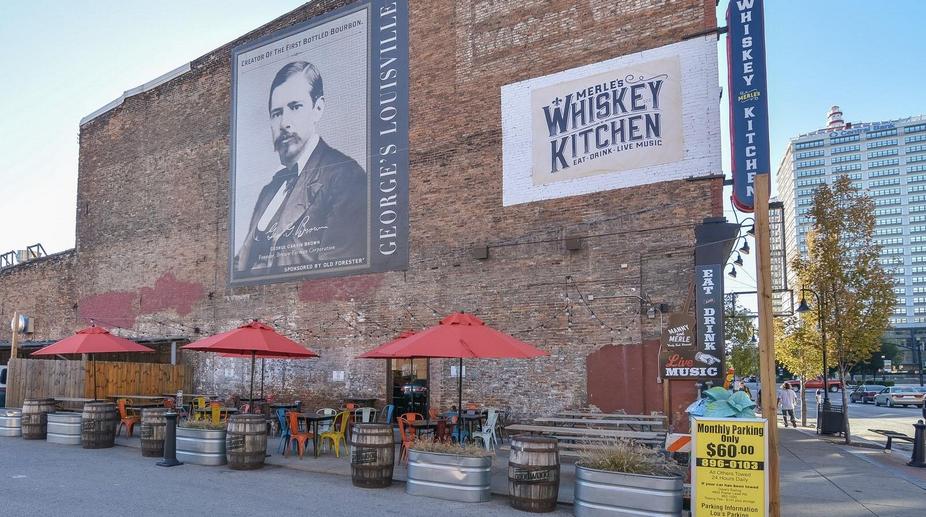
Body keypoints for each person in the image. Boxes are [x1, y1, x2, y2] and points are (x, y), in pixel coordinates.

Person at [236, 61, 367, 274]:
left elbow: (336, 275)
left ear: (318, 108)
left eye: (295, 107)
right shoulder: (269, 191)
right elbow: (241, 265)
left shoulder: (346, 177)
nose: (284, 123)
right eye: (276, 113)